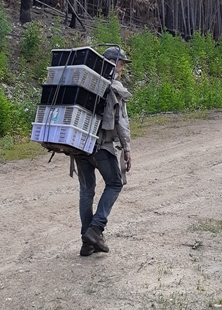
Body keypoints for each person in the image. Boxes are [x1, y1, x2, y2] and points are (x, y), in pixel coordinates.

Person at [75, 46, 132, 256]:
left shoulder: (86, 82)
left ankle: (87, 242)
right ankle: (96, 229)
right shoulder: (114, 87)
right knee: (115, 184)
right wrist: (127, 148)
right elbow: (121, 122)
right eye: (121, 63)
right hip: (101, 147)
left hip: (80, 146)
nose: (123, 68)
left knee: (86, 191)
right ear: (113, 62)